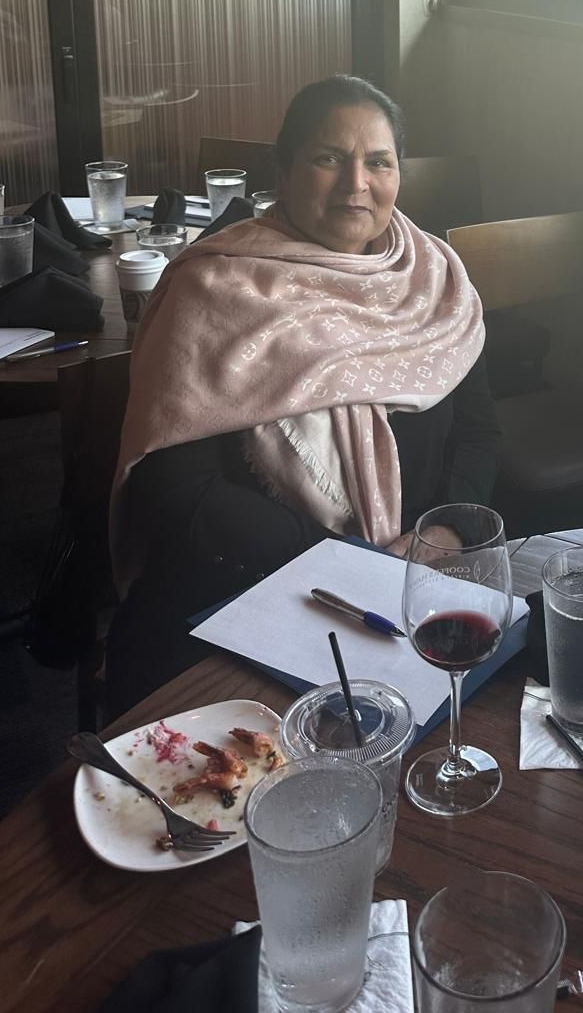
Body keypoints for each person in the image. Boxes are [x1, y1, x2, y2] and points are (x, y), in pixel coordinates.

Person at [105, 74, 498, 712]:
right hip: (238, 594)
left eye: (379, 162)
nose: (356, 184)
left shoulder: (435, 283)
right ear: (282, 172)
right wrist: (339, 564)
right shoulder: (213, 290)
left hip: (411, 587)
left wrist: (446, 532)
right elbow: (174, 487)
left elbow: (479, 431)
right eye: (328, 159)